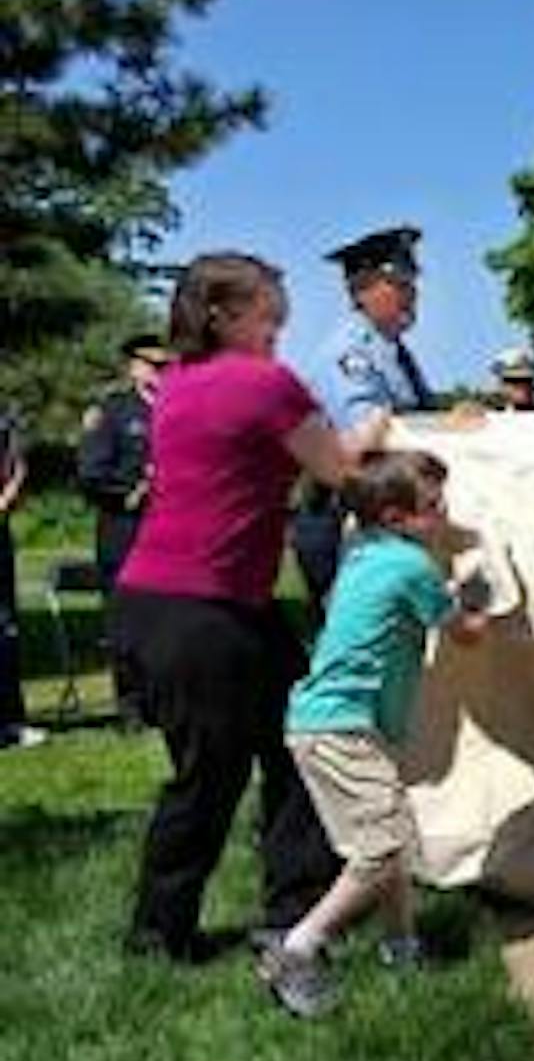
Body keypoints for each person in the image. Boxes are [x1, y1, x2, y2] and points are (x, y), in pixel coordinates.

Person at [116, 253, 387, 962]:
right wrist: (380, 430)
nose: (279, 332)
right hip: (200, 610)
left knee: (297, 738)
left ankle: (295, 910)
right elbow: (343, 473)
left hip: (174, 602)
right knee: (212, 776)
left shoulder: (177, 383)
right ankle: (156, 938)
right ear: (222, 316)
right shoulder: (264, 384)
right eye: (268, 317)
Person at [256, 449, 488, 1018]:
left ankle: (402, 948)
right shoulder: (412, 567)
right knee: (383, 847)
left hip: (330, 723)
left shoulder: (363, 553)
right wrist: (484, 595)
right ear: (394, 518)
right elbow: (467, 634)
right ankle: (298, 947)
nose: (445, 514)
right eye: (432, 508)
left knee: (389, 841)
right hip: (343, 727)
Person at [295, 226, 434, 619]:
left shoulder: (392, 354)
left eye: (411, 283)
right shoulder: (349, 354)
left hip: (386, 518)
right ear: (360, 289)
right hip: (345, 519)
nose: (412, 294)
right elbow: (368, 443)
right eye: (398, 283)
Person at [78, 333, 169, 720]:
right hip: (125, 529)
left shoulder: (179, 409)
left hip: (172, 533)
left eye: (166, 366)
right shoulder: (113, 412)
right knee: (127, 618)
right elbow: (91, 473)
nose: (161, 373)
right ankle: (131, 704)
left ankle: (166, 699)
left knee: (169, 619)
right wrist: (131, 491)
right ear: (134, 367)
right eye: (153, 366)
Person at [0, 406, 37, 749]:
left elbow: (17, 467)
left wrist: (6, 498)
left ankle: (11, 721)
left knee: (5, 628)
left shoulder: (5, 418)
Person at [489, 346, 534, 412]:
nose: (522, 386)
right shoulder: (490, 419)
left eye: (527, 381)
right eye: (514, 381)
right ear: (501, 385)